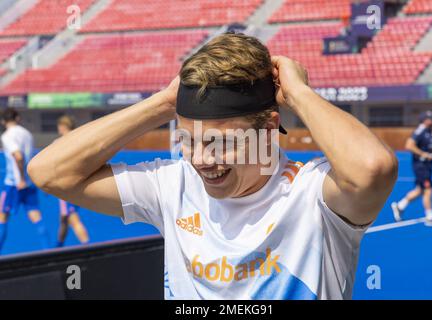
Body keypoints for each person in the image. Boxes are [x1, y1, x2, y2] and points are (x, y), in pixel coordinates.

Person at [27, 33, 398, 299]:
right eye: (187, 140)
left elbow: (372, 168)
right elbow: (49, 172)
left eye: (219, 143)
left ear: (269, 128)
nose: (201, 160)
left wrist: (299, 94)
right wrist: (162, 103)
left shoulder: (312, 195)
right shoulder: (172, 185)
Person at [0, 108, 50, 253]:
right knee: (36, 216)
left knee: (2, 217)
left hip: (14, 184)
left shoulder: (8, 135)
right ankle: (48, 252)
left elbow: (18, 156)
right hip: (29, 183)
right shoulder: (27, 134)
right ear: (18, 118)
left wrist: (20, 178)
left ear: (3, 121)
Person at [391, 111, 432, 227]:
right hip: (421, 166)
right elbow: (409, 145)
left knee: (420, 190)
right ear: (424, 119)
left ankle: (400, 206)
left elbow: (430, 146)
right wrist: (422, 154)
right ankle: (430, 217)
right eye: (430, 118)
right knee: (428, 189)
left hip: (428, 166)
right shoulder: (420, 130)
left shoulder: (430, 131)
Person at [55, 115, 89, 247]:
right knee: (64, 218)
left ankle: (87, 246)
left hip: (64, 186)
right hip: (77, 182)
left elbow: (52, 165)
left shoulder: (60, 142)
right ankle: (58, 247)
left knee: (72, 217)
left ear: (63, 126)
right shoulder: (79, 140)